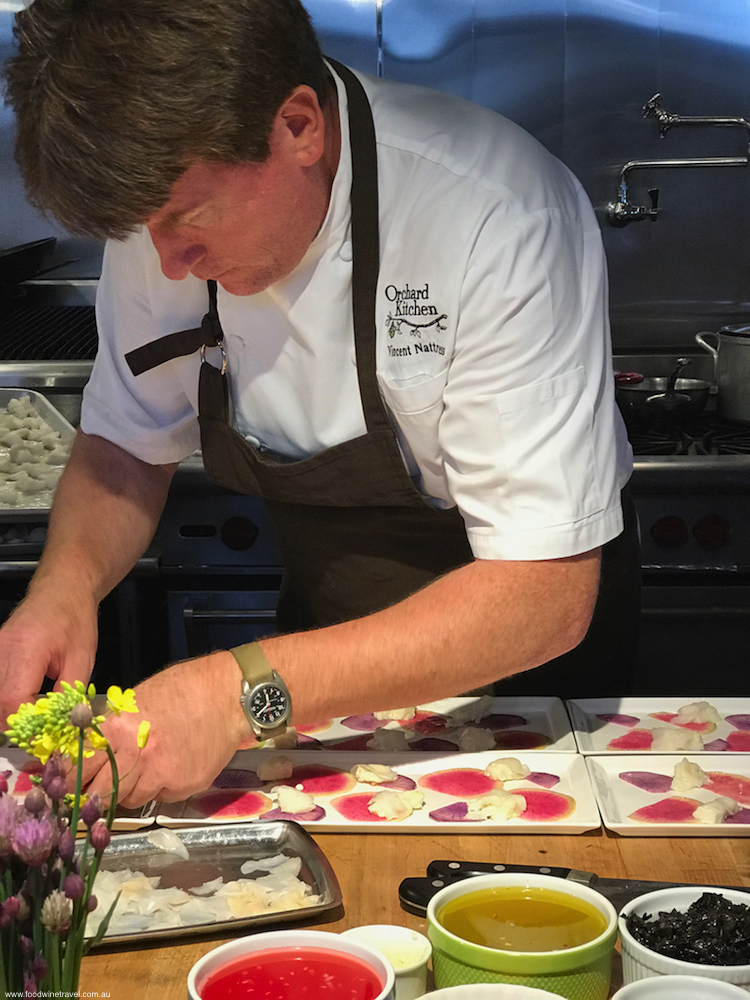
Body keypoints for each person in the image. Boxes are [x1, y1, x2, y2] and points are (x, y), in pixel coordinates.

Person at [1, 0, 637, 807]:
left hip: (531, 689)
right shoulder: (159, 206)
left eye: (186, 221)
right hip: (318, 669)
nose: (165, 266)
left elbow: (544, 595)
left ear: (298, 127)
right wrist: (63, 585)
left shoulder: (495, 210)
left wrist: (233, 695)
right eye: (141, 233)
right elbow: (128, 443)